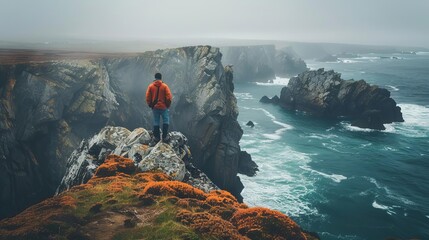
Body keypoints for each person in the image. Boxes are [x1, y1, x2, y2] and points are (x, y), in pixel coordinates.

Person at [146, 73, 173, 143]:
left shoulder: (151, 86)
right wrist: (167, 105)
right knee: (166, 120)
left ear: (155, 78)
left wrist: (150, 104)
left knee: (156, 121)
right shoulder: (165, 86)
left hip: (155, 107)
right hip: (164, 107)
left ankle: (156, 137)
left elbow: (148, 97)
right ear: (161, 78)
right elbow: (169, 97)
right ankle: (165, 137)